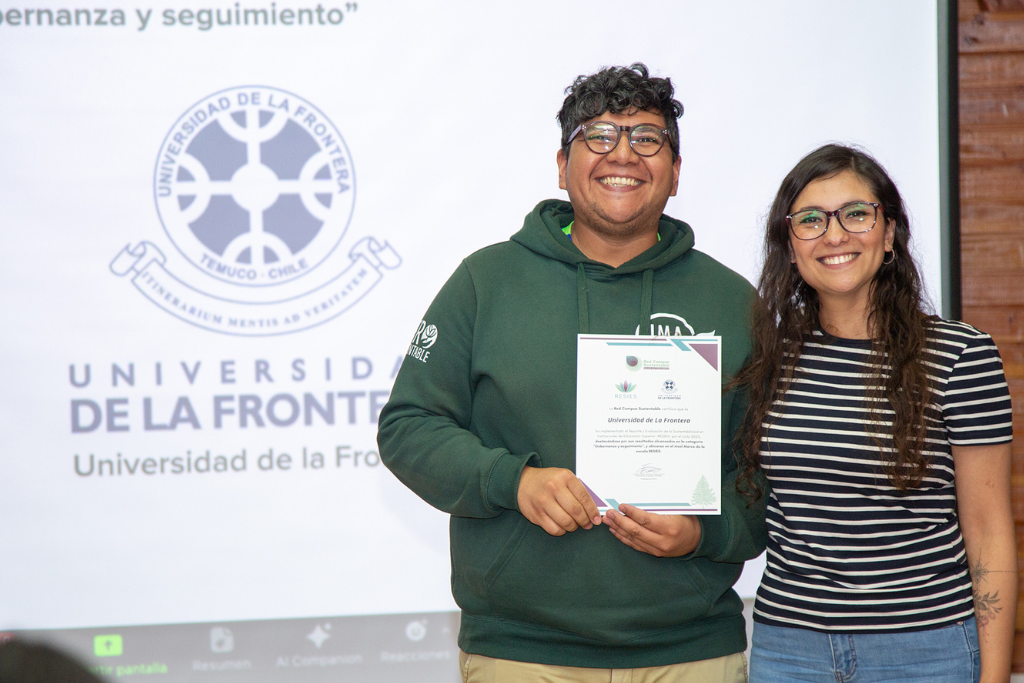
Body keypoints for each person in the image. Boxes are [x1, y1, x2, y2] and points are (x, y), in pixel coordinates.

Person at [377, 63, 766, 682]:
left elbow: (773, 468)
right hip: (521, 653)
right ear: (562, 165)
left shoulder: (732, 302)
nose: (624, 154)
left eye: (647, 138)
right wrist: (514, 482)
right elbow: (407, 428)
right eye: (599, 135)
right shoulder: (485, 282)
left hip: (692, 653)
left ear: (675, 173)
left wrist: (704, 533)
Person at [735, 144, 1016, 683]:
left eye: (856, 214)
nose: (835, 235)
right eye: (811, 220)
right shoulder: (767, 356)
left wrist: (996, 677)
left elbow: (989, 531)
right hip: (789, 650)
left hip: (926, 651)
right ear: (789, 246)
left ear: (889, 234)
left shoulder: (961, 355)